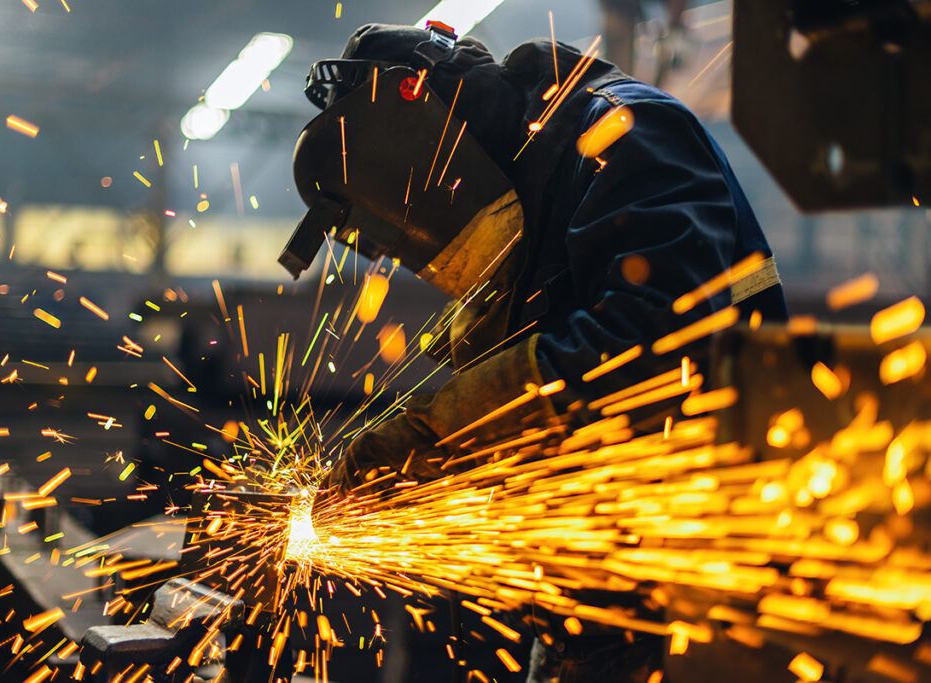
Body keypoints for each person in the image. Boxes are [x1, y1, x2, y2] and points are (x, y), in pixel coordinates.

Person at [279, 22, 787, 682]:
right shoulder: (522, 186)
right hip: (596, 597)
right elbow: (534, 411)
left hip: (703, 584)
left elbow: (650, 350)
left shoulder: (619, 133)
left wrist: (432, 435)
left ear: (421, 125)